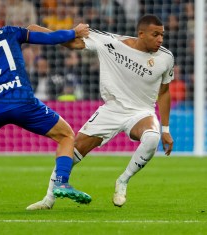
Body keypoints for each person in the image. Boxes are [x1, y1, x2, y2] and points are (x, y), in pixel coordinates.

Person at [26, 14, 174, 210]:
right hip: (111, 110)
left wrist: (165, 128)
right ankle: (48, 199)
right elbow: (72, 43)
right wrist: (40, 33)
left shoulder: (166, 58)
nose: (160, 40)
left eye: (162, 35)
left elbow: (164, 92)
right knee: (74, 149)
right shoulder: (110, 42)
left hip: (142, 112)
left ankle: (123, 180)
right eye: (156, 35)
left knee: (152, 138)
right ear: (141, 34)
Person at [0, 6, 92, 208]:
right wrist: (74, 32)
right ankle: (61, 182)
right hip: (22, 100)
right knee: (66, 135)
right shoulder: (9, 32)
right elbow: (51, 39)